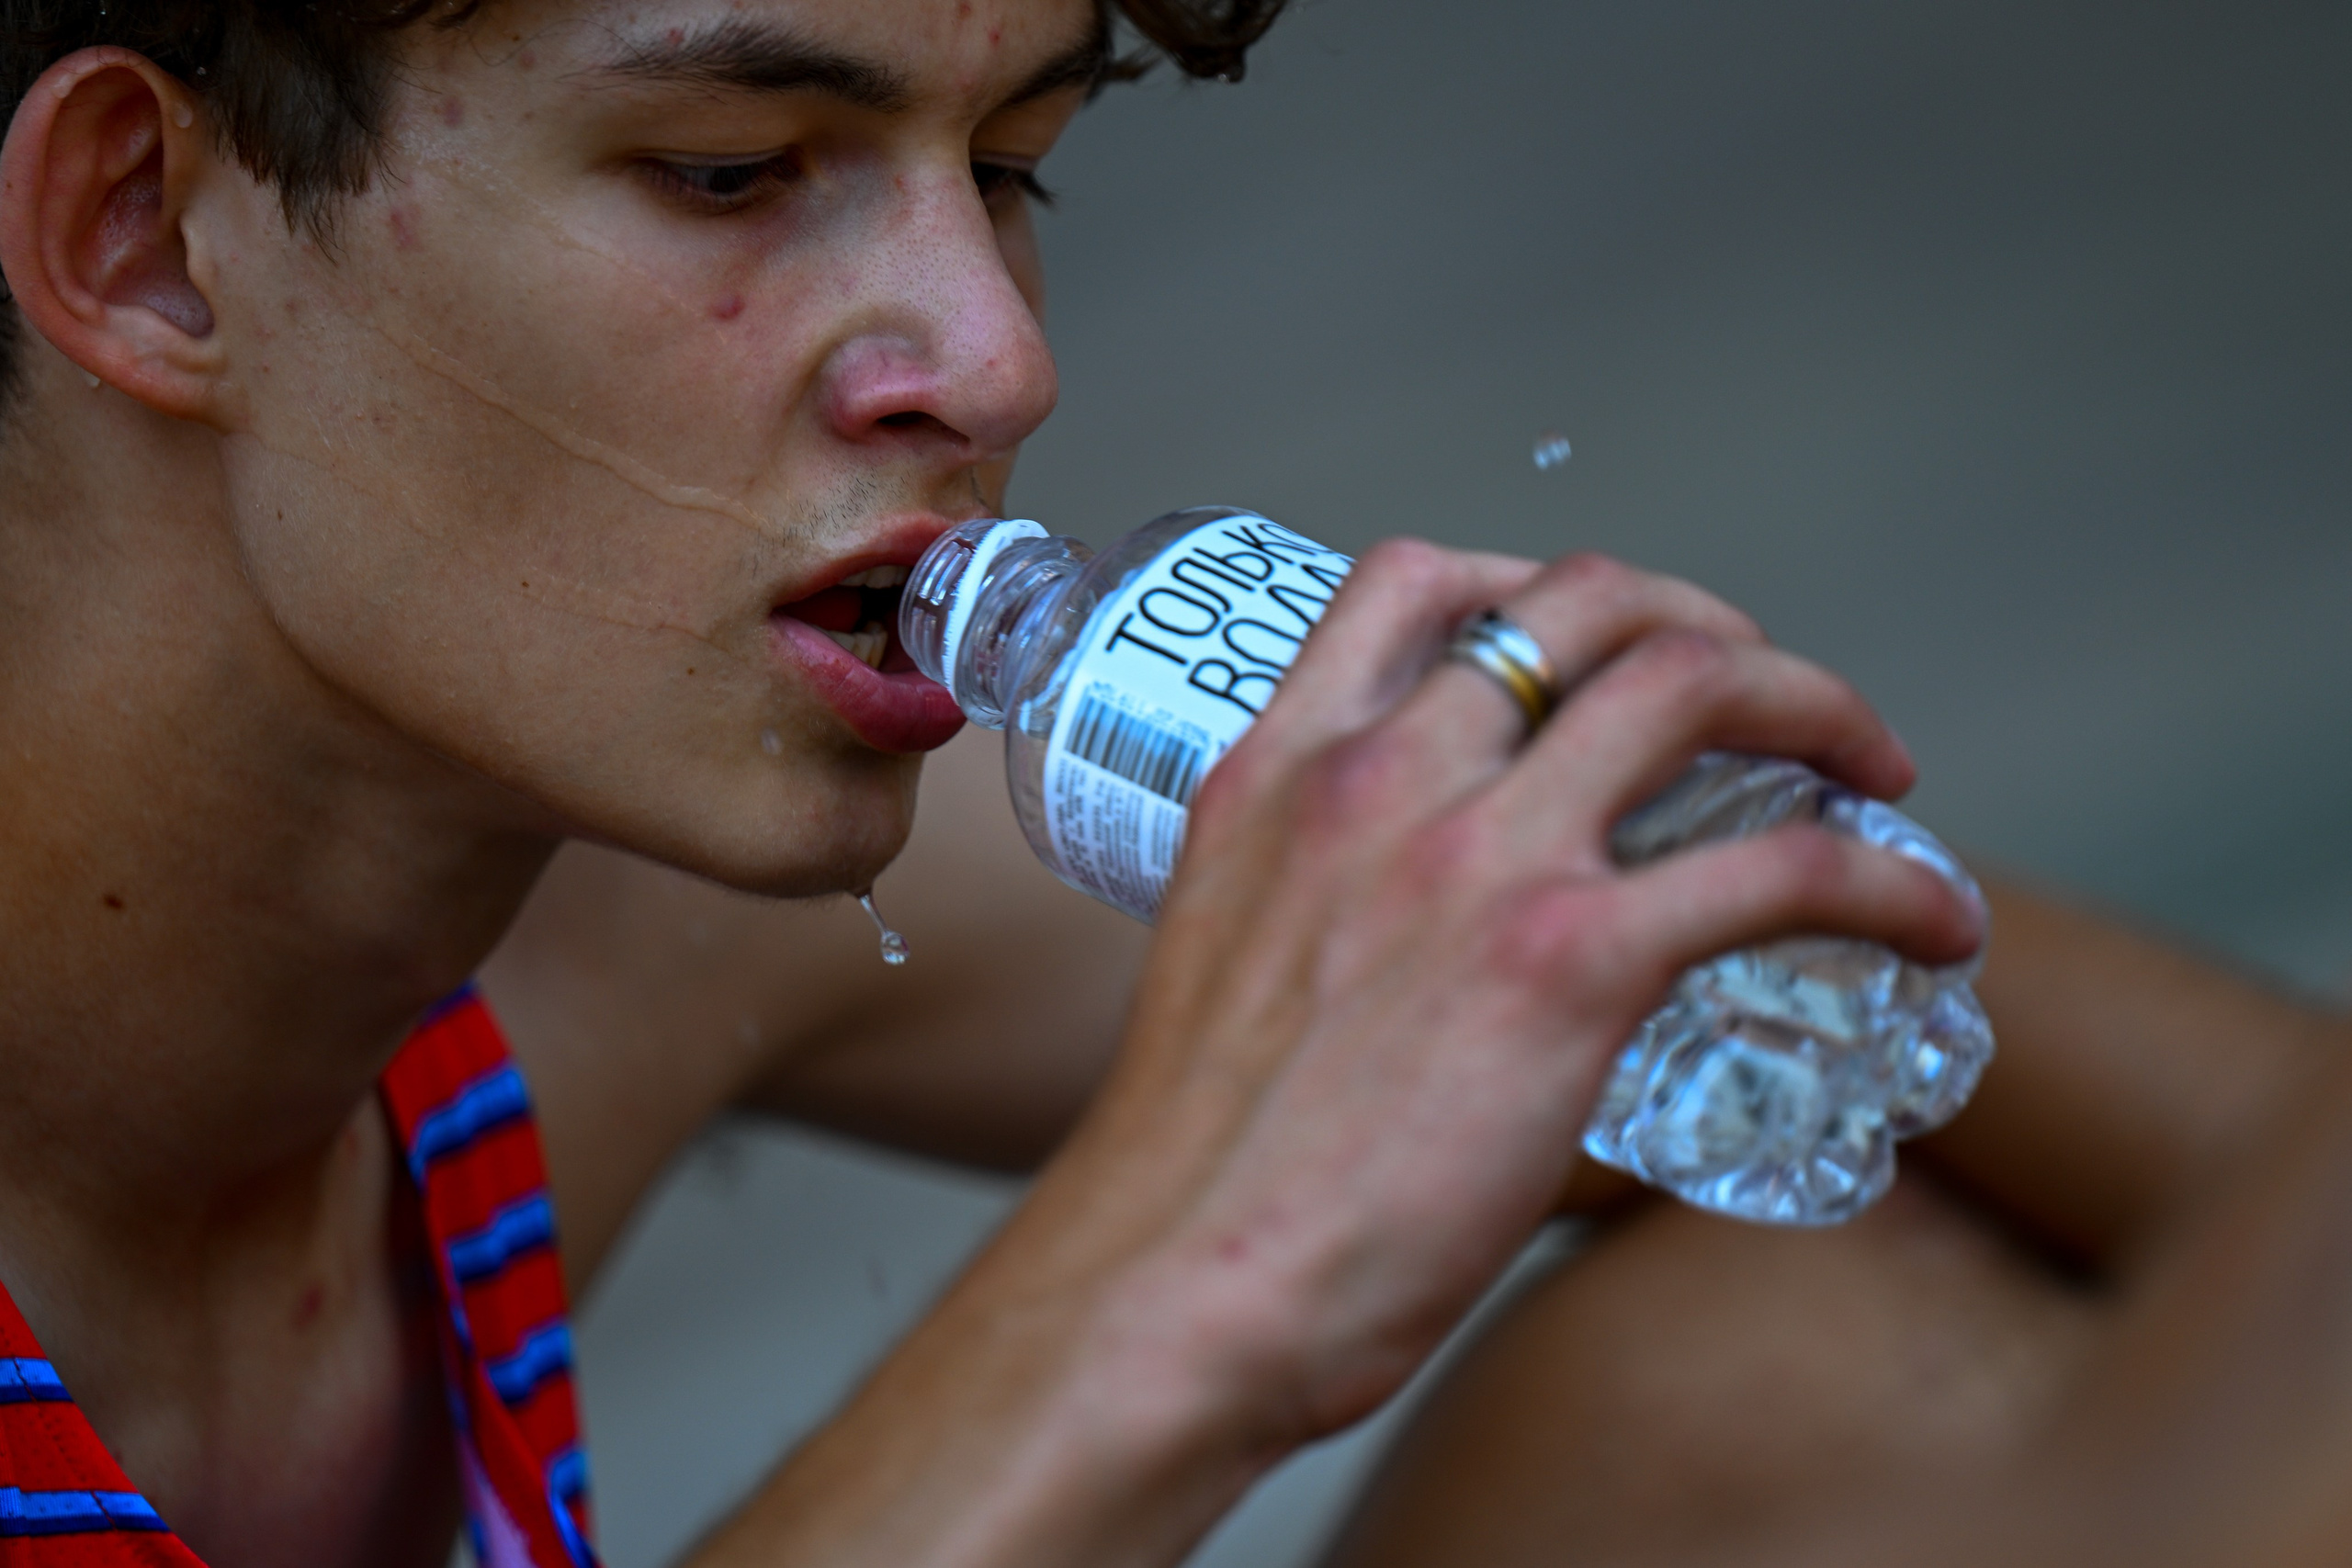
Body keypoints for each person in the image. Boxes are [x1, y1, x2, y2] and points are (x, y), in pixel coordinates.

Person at [1, 0, 2022, 1562]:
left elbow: (2057, 1067)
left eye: (1013, 163)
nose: (996, 363)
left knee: (1799, 1376)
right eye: (728, 165)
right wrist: (1191, 1289)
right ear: (150, 236)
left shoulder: (581, 930)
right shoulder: (600, 943)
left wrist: (1625, 826)